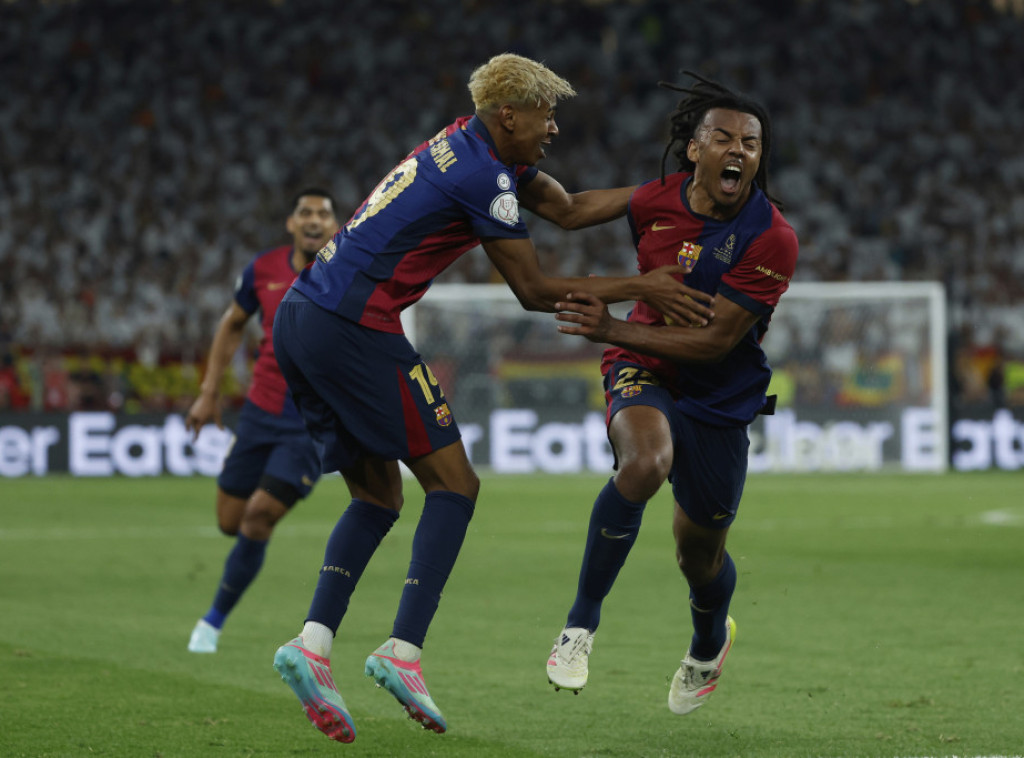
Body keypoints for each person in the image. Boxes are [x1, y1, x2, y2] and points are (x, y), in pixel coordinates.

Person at [269, 53, 714, 744]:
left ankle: (313, 645)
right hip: (353, 324)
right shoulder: (482, 175)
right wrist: (642, 286)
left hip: (303, 318)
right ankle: (403, 652)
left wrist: (676, 191)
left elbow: (568, 209)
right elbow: (534, 292)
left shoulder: (465, 143)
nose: (554, 128)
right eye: (546, 116)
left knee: (378, 497)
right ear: (509, 115)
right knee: (456, 485)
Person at [544, 71, 799, 716]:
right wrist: (495, 166)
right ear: (694, 148)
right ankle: (579, 626)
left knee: (698, 557)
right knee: (644, 463)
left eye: (750, 143)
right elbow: (567, 210)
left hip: (719, 393)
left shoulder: (771, 237)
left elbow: (714, 343)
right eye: (724, 138)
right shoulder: (655, 198)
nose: (738, 150)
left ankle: (709, 643)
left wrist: (609, 325)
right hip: (644, 364)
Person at [184, 188, 339, 653]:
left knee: (257, 517)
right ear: (291, 223)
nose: (314, 220)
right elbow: (232, 323)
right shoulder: (263, 269)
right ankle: (230, 589)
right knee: (229, 521)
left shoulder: (349, 269)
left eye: (324, 214)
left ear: (335, 226)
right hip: (259, 413)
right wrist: (208, 392)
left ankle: (212, 622)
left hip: (310, 424)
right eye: (305, 212)